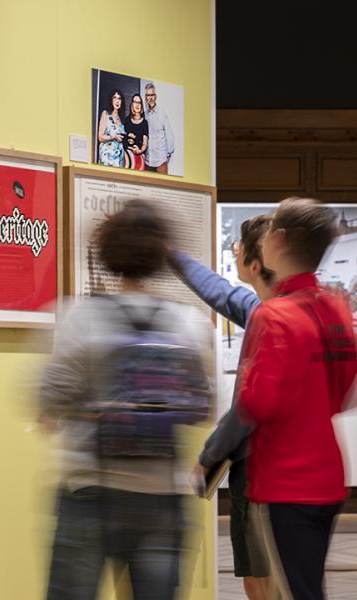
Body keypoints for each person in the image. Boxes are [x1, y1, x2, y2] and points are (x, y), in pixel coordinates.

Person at [39, 200, 212, 600]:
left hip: (89, 489)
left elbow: (50, 400)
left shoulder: (78, 318)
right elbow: (203, 407)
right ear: (162, 256)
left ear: (106, 253)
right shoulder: (188, 323)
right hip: (163, 496)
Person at [237, 197, 357, 600]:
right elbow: (344, 390)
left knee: (294, 591)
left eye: (270, 231)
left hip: (285, 479)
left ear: (281, 241)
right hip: (328, 472)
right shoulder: (337, 309)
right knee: (307, 586)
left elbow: (257, 403)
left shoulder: (272, 315)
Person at [171, 215, 275, 600]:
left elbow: (251, 406)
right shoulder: (272, 310)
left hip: (261, 469)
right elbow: (218, 290)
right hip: (299, 465)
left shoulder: (268, 319)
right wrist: (171, 255)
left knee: (258, 574)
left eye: (240, 247)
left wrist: (209, 455)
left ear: (255, 263)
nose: (233, 250)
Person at [143, 83, 175, 174]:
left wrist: (167, 154)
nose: (150, 98)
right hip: (148, 161)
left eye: (152, 95)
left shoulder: (162, 114)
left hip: (161, 161)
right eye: (148, 95)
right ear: (146, 97)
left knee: (163, 187)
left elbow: (170, 136)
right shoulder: (144, 116)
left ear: (155, 96)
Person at [97, 89, 126, 168]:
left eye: (119, 98)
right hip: (108, 157)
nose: (117, 101)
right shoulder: (106, 114)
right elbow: (100, 137)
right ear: (111, 100)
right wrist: (114, 137)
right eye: (115, 98)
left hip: (119, 157)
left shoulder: (121, 118)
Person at [123, 94, 148, 170]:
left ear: (142, 105)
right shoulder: (127, 120)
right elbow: (124, 138)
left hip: (139, 157)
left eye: (139, 102)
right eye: (135, 102)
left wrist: (140, 151)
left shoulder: (144, 122)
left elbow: (145, 143)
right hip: (126, 157)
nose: (137, 105)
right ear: (132, 105)